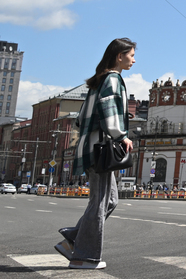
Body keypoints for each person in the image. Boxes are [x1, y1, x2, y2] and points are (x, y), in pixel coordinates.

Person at [56, 38, 136, 270]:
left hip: (91, 149)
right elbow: (108, 110)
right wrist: (121, 135)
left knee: (110, 200)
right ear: (119, 56)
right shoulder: (113, 78)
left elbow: (81, 120)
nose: (134, 59)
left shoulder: (98, 80)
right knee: (100, 203)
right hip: (100, 151)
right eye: (131, 55)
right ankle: (84, 256)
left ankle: (73, 239)